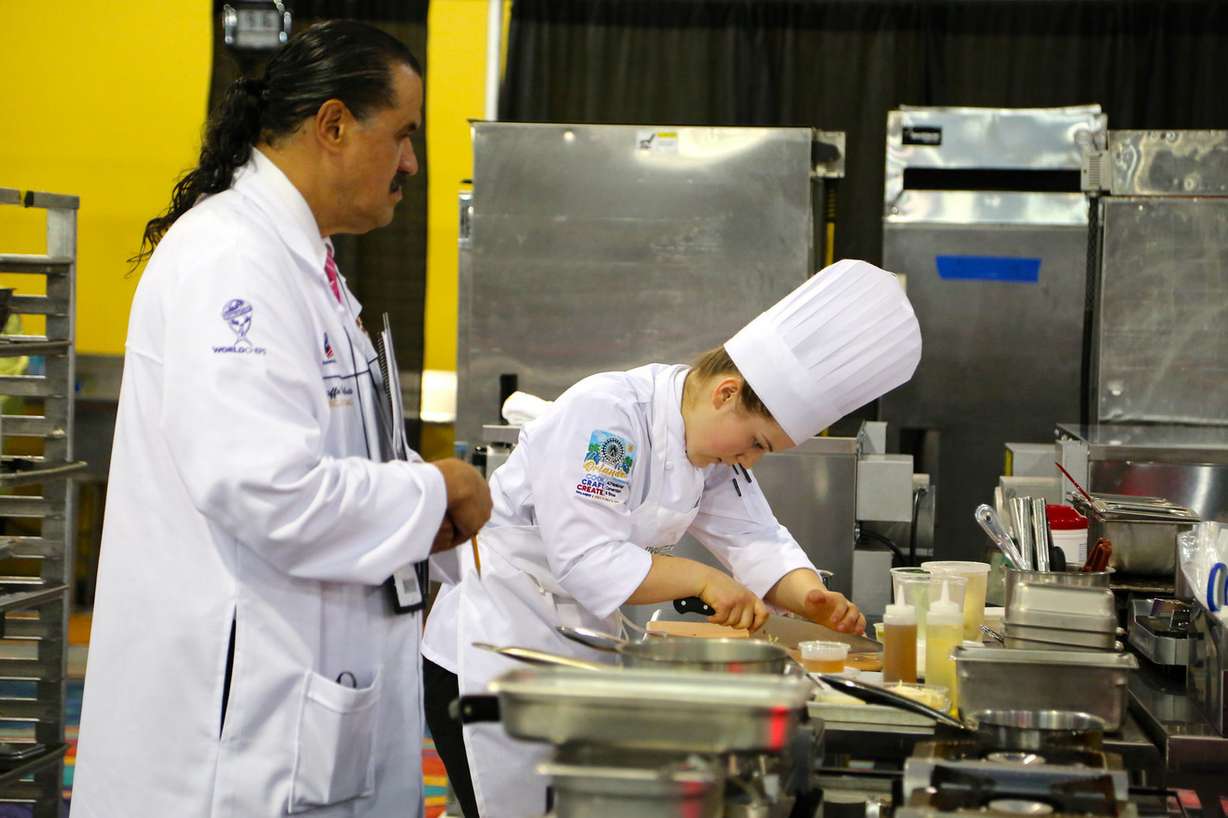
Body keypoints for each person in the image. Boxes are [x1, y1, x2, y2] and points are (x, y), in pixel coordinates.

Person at [72, 21, 492, 818]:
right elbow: (266, 488)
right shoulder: (233, 262)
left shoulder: (308, 269)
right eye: (403, 135)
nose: (412, 164)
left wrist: (430, 511)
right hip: (236, 742)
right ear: (333, 126)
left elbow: (344, 455)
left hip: (304, 709)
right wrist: (435, 492)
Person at [421, 258, 924, 817]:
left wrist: (809, 596)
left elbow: (753, 535)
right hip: (492, 652)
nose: (750, 459)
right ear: (726, 393)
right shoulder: (609, 415)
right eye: (755, 442)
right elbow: (588, 560)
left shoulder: (707, 449)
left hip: (576, 654)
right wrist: (705, 579)